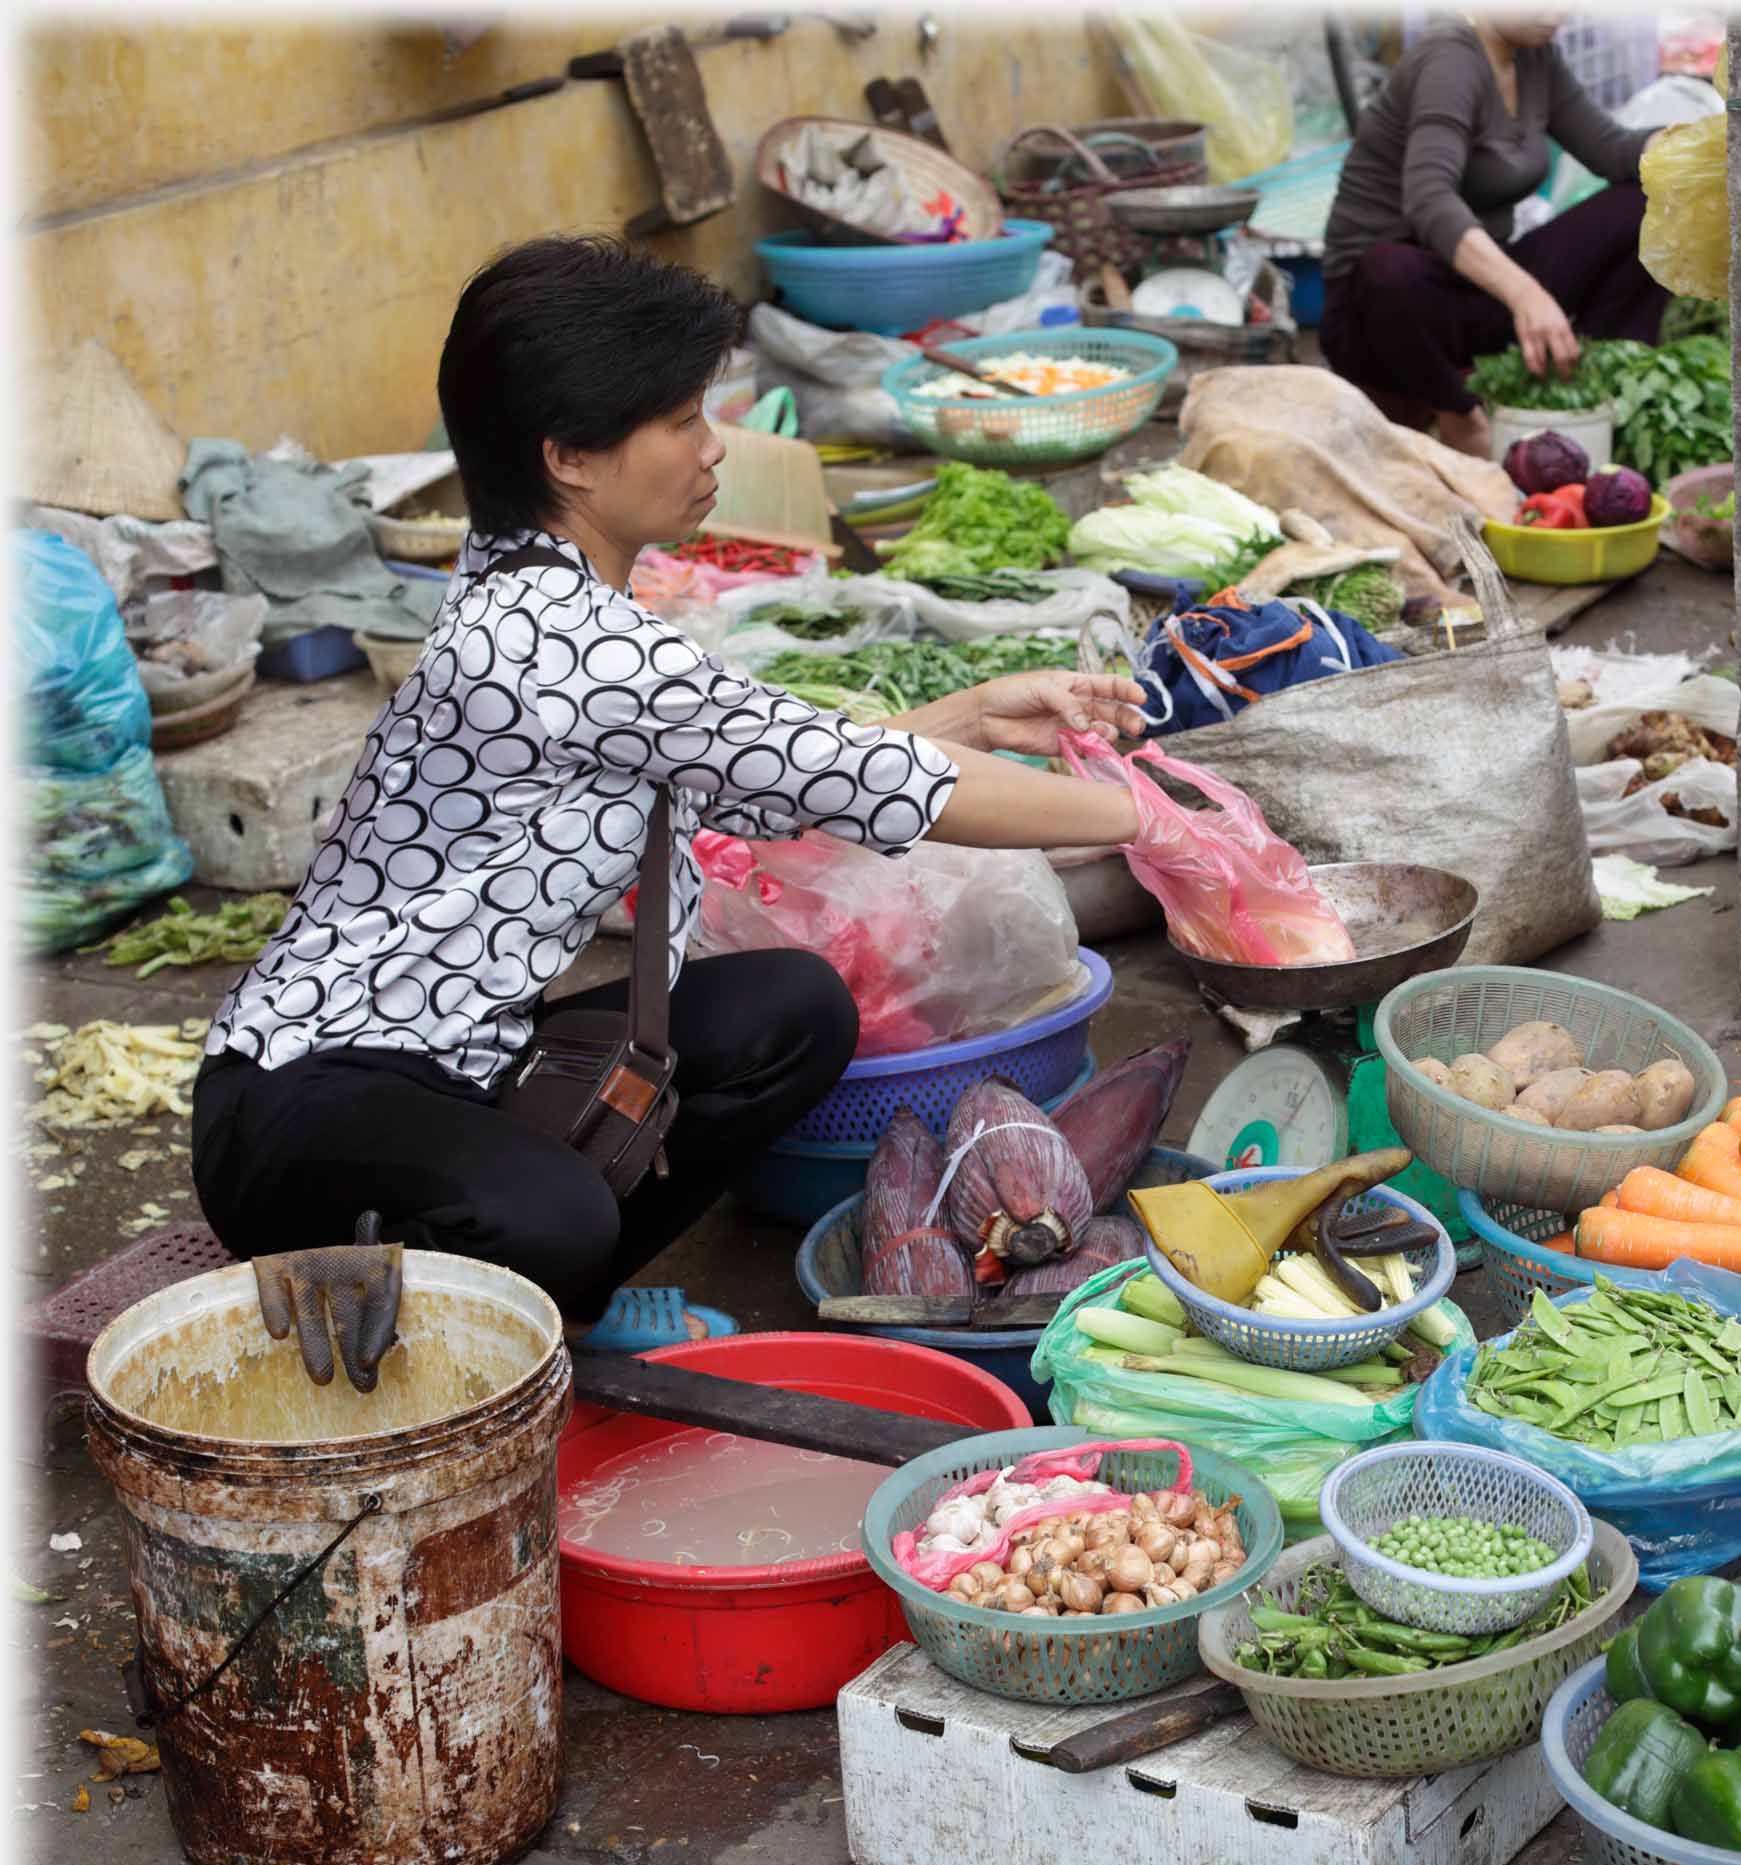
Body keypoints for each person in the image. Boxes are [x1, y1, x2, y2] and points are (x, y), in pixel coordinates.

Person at [190, 236, 1148, 1370]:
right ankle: (531, 1314)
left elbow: (784, 763)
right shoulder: (563, 647)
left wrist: (982, 712)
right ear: (571, 456)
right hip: (304, 1105)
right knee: (551, 1216)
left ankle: (558, 1294)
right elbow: (880, 786)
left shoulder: (534, 579)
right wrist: (1161, 821)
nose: (713, 449)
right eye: (683, 420)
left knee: (791, 1008)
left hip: (469, 1056)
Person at [1320, 11, 1670, 457]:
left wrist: (1701, 144)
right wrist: (1527, 294)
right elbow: (1428, 200)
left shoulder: (1535, 57)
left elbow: (1612, 150)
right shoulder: (1450, 59)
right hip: (1385, 320)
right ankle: (1458, 416)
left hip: (1471, 295)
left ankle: (1598, 393)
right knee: (1390, 269)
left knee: (1644, 206)